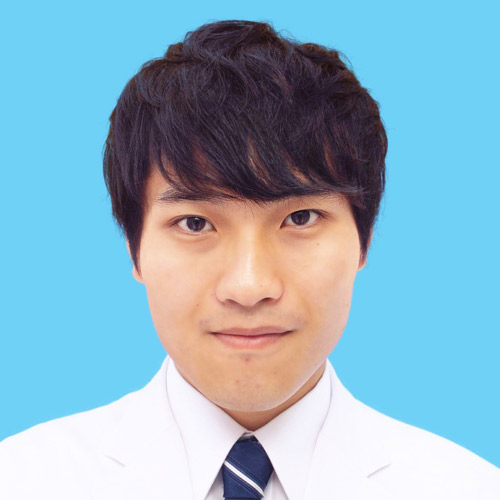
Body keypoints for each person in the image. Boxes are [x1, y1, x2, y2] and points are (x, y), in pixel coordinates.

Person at [0, 19, 498, 500]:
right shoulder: (22, 481)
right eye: (195, 223)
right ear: (134, 248)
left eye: (300, 218)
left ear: (364, 241)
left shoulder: (469, 489)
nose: (249, 286)